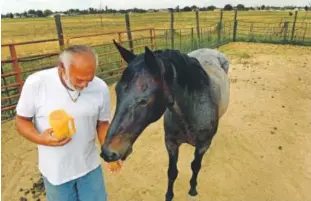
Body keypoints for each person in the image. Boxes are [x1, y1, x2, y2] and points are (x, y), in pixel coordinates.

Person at [15, 45, 122, 201]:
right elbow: (21, 121)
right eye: (79, 79)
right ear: (62, 68)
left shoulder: (100, 87)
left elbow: (102, 124)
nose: (85, 85)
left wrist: (109, 152)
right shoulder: (36, 83)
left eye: (89, 79)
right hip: (56, 172)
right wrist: (41, 139)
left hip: (89, 167)